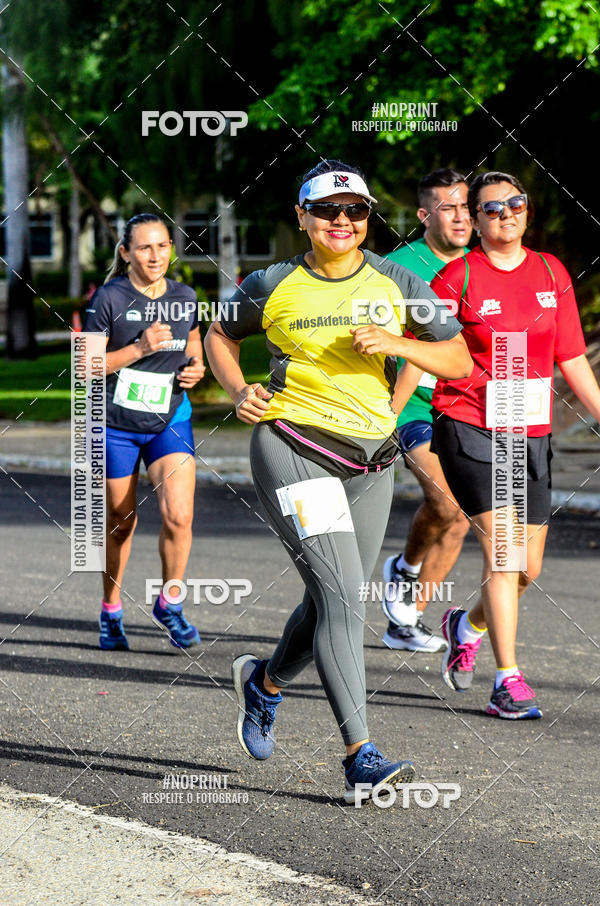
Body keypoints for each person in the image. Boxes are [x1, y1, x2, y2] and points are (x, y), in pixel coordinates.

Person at [204, 159, 472, 801]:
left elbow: (458, 353)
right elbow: (218, 333)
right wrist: (239, 389)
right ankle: (361, 756)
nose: (343, 222)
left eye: (355, 211)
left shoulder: (398, 279)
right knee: (344, 599)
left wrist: (401, 346)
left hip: (370, 461)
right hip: (292, 444)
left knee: (332, 596)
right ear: (302, 217)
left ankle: (263, 683)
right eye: (328, 211)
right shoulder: (271, 282)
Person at [430, 171, 600, 718]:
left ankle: (468, 623)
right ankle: (508, 680)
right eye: (492, 207)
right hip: (469, 423)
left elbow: (571, 357)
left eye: (515, 203)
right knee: (503, 555)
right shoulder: (456, 278)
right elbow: (421, 351)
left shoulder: (552, 271)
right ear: (474, 220)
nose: (506, 212)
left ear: (527, 209)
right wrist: (387, 415)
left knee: (528, 569)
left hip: (530, 431)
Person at [83, 213, 206, 652]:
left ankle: (169, 603)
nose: (155, 256)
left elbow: (193, 338)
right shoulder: (108, 300)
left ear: (172, 248)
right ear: (126, 253)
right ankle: (111, 608)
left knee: (180, 515)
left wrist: (197, 365)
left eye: (162, 246)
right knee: (121, 522)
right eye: (144, 248)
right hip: (114, 424)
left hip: (169, 418)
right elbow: (85, 367)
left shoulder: (185, 295)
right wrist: (137, 349)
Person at [381, 168, 472, 653]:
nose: (461, 217)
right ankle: (405, 567)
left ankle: (408, 620)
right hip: (411, 401)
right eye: (449, 207)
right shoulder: (398, 265)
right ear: (424, 215)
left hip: (465, 403)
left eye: (466, 207)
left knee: (461, 519)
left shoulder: (483, 265)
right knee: (444, 502)